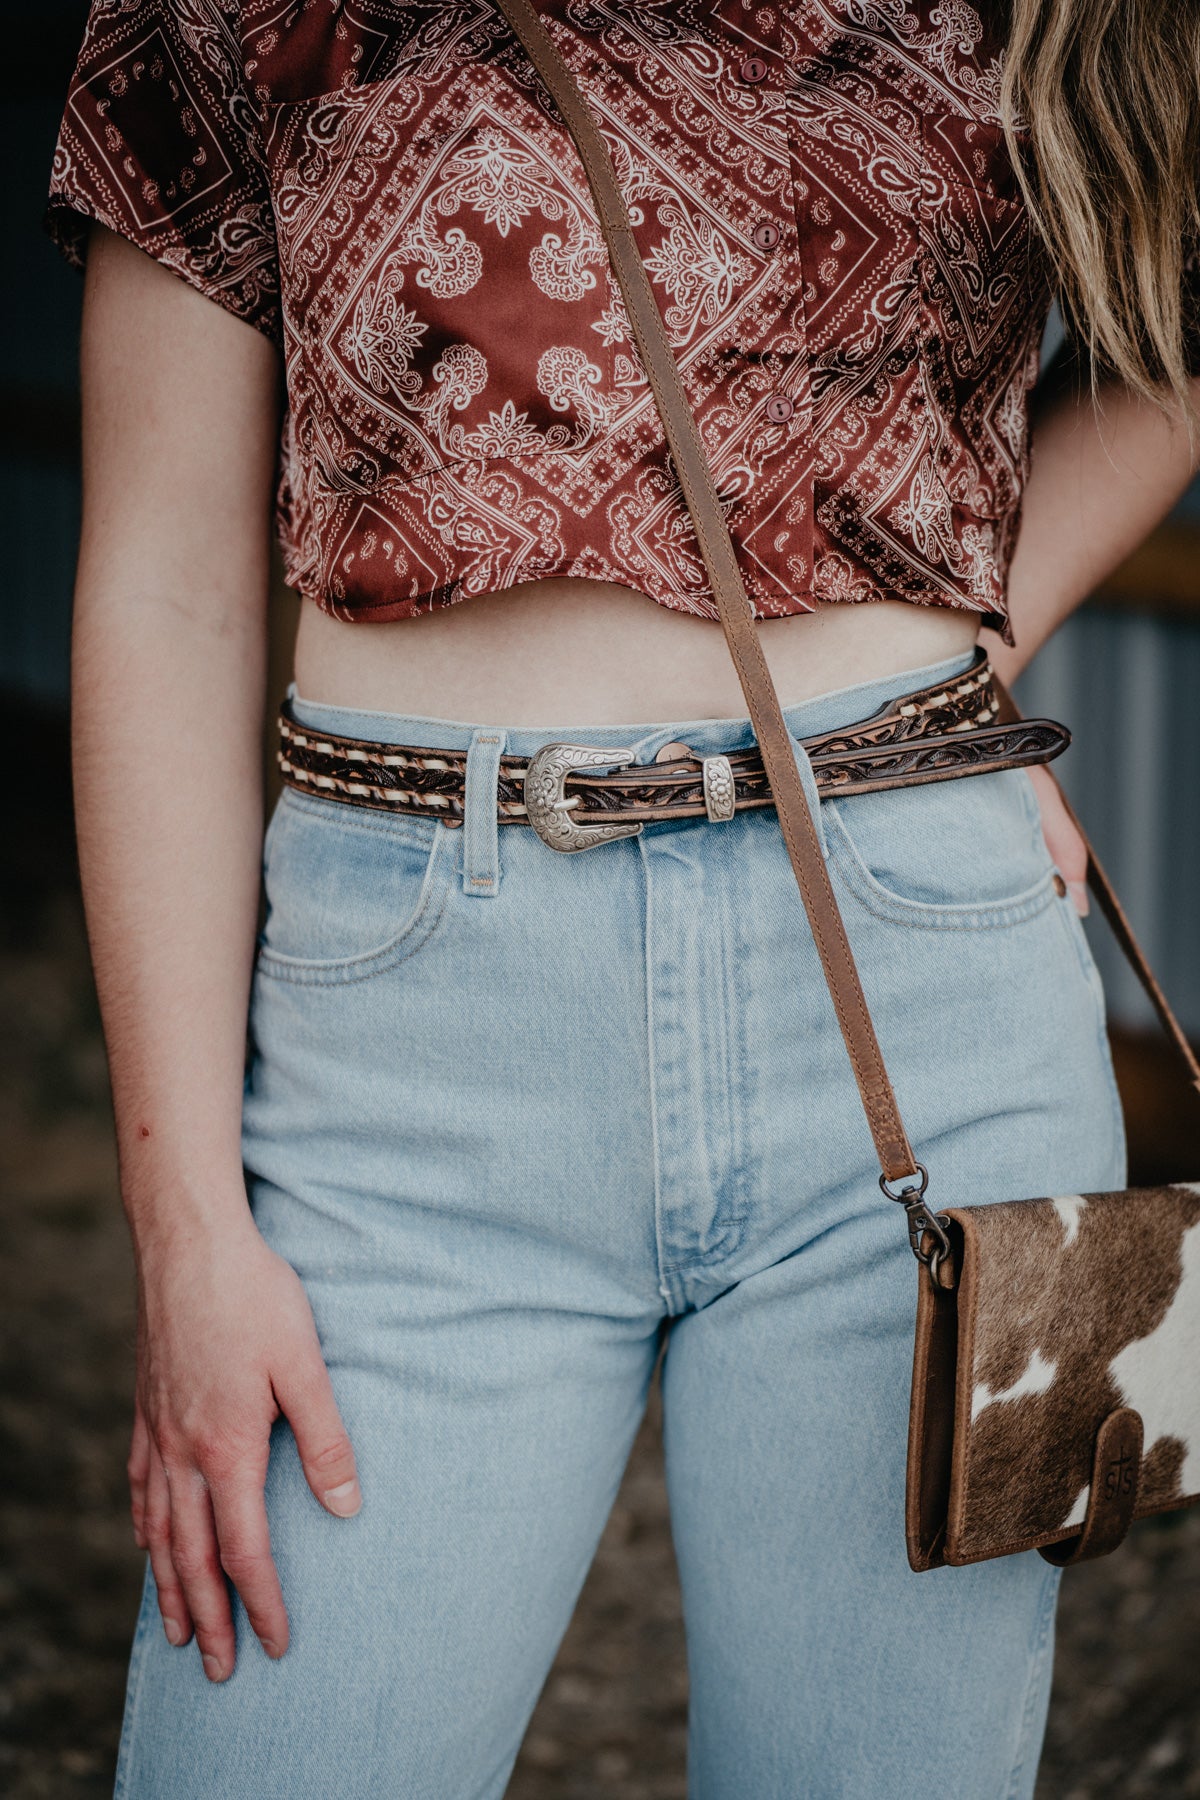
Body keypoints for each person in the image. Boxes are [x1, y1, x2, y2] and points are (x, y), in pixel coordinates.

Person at [46, 2, 1199, 1794]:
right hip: (412, 1057)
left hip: (919, 982)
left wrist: (969, 648)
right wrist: (185, 1225)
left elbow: (1177, 305)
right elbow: (163, 585)